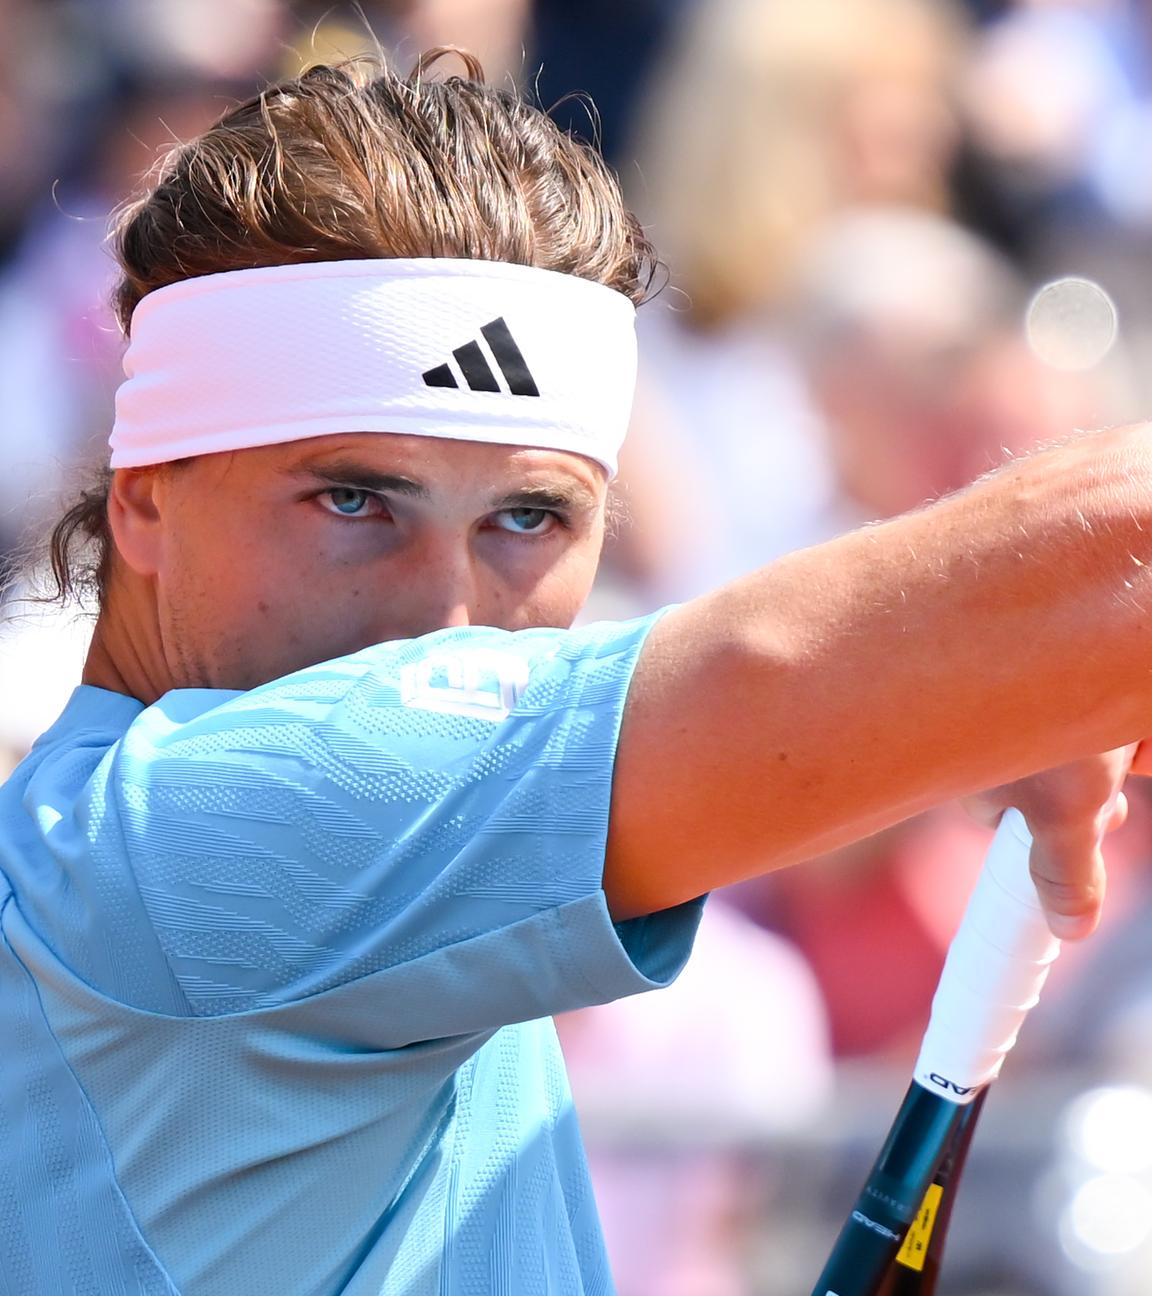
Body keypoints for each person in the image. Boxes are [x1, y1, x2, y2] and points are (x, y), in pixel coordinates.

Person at [0, 49, 1150, 1296]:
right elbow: (1111, 546)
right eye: (352, 499)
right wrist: (1008, 656)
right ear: (145, 504)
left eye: (531, 519)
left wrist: (993, 676)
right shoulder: (191, 836)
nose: (445, 616)